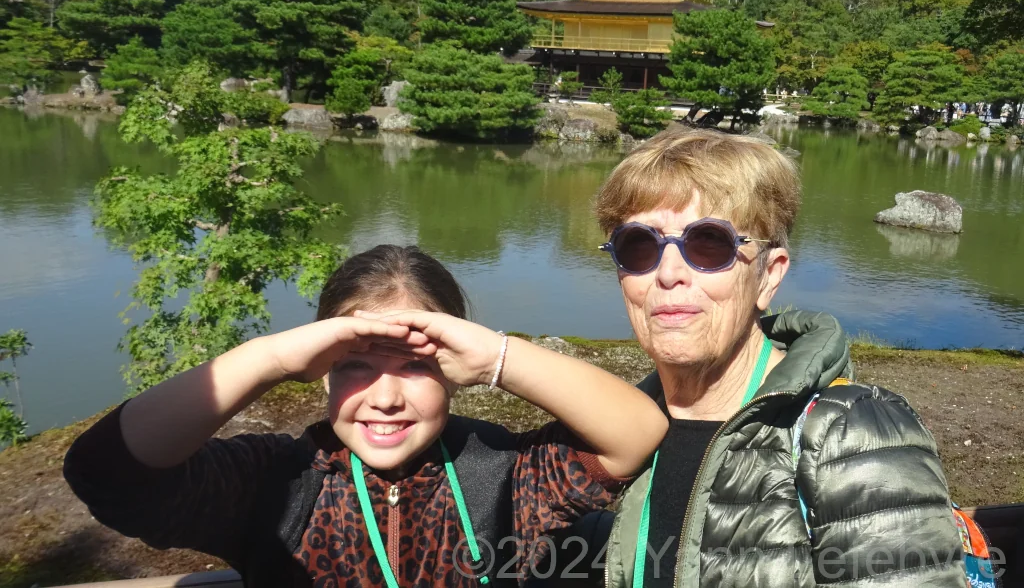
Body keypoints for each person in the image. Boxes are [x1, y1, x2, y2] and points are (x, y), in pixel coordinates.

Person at [63, 245, 668, 588]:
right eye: (355, 366)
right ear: (319, 365)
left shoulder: (503, 473)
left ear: (452, 373)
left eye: (414, 367)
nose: (384, 397)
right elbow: (106, 471)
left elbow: (636, 433)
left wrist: (496, 356)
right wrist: (269, 357)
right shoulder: (277, 481)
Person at [587, 128, 963, 587]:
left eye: (709, 244)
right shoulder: (625, 430)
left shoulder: (852, 436)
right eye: (638, 246)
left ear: (769, 275)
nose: (668, 274)